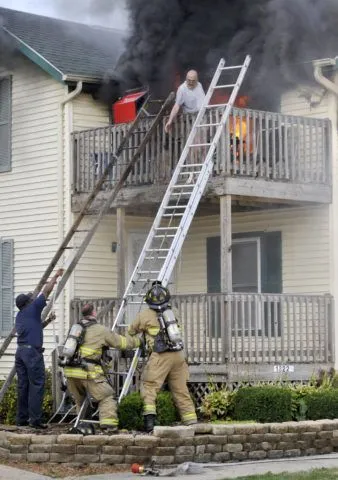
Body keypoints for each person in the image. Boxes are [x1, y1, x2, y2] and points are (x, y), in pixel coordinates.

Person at [128, 281, 197, 433]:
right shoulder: (174, 313)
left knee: (150, 387)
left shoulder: (144, 315)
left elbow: (131, 331)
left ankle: (149, 423)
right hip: (179, 355)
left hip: (160, 356)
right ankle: (191, 420)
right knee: (180, 389)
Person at [63, 303, 141, 432]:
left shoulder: (75, 329)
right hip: (88, 371)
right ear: (94, 313)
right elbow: (121, 343)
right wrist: (138, 342)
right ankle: (109, 426)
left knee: (81, 400)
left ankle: (83, 426)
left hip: (70, 371)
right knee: (106, 396)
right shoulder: (100, 330)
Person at [15, 268, 64, 429]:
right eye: (31, 299)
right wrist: (56, 276)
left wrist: (48, 320)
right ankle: (35, 420)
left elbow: (35, 328)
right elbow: (46, 291)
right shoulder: (33, 308)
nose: (33, 299)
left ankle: (21, 419)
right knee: (37, 384)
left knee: (23, 385)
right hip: (31, 354)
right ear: (28, 303)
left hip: (20, 352)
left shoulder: (21, 315)